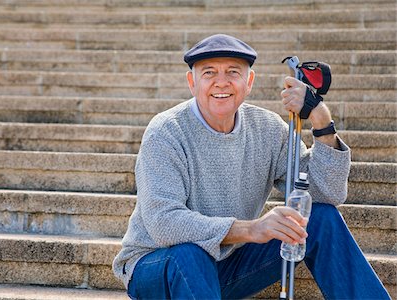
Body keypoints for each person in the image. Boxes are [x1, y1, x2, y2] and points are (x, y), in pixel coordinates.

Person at [112, 34, 390, 299]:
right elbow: (164, 223)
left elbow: (326, 193)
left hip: (229, 267)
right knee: (189, 254)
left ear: (249, 81)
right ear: (191, 82)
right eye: (209, 72)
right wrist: (252, 229)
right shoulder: (166, 131)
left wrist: (319, 117)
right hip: (158, 266)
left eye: (233, 72)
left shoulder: (268, 129)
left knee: (322, 218)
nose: (221, 82)